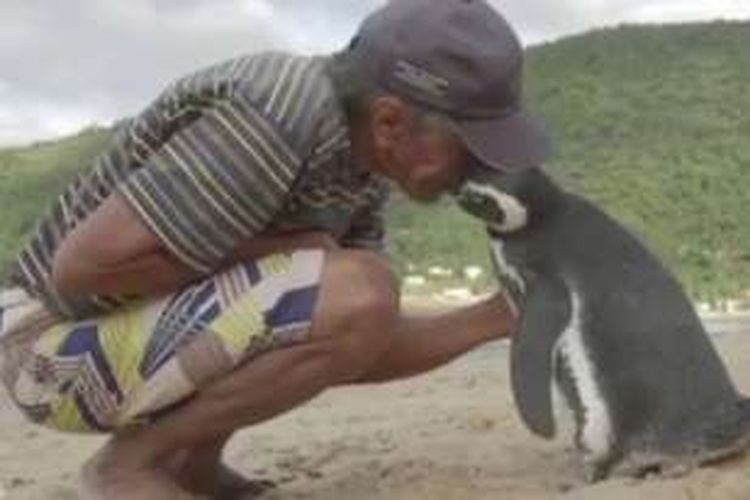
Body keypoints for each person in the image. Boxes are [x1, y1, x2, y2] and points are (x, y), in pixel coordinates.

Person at [0, 0, 551, 498]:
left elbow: (351, 339)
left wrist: (497, 316)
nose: (476, 169)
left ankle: (191, 463)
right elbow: (81, 270)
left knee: (362, 289)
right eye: (469, 148)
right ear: (389, 121)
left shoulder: (359, 167)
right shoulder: (277, 108)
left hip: (119, 339)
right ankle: (128, 465)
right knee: (360, 284)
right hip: (44, 347)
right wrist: (285, 249)